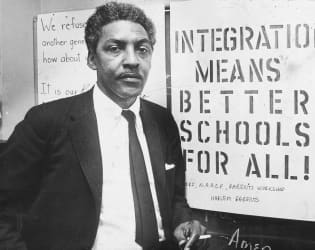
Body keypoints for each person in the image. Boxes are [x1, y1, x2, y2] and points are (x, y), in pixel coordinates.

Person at [0, 2, 206, 250]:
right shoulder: (47, 121)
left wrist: (183, 222)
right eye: (115, 48)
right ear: (91, 59)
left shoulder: (163, 121)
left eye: (142, 49)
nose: (132, 61)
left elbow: (175, 200)